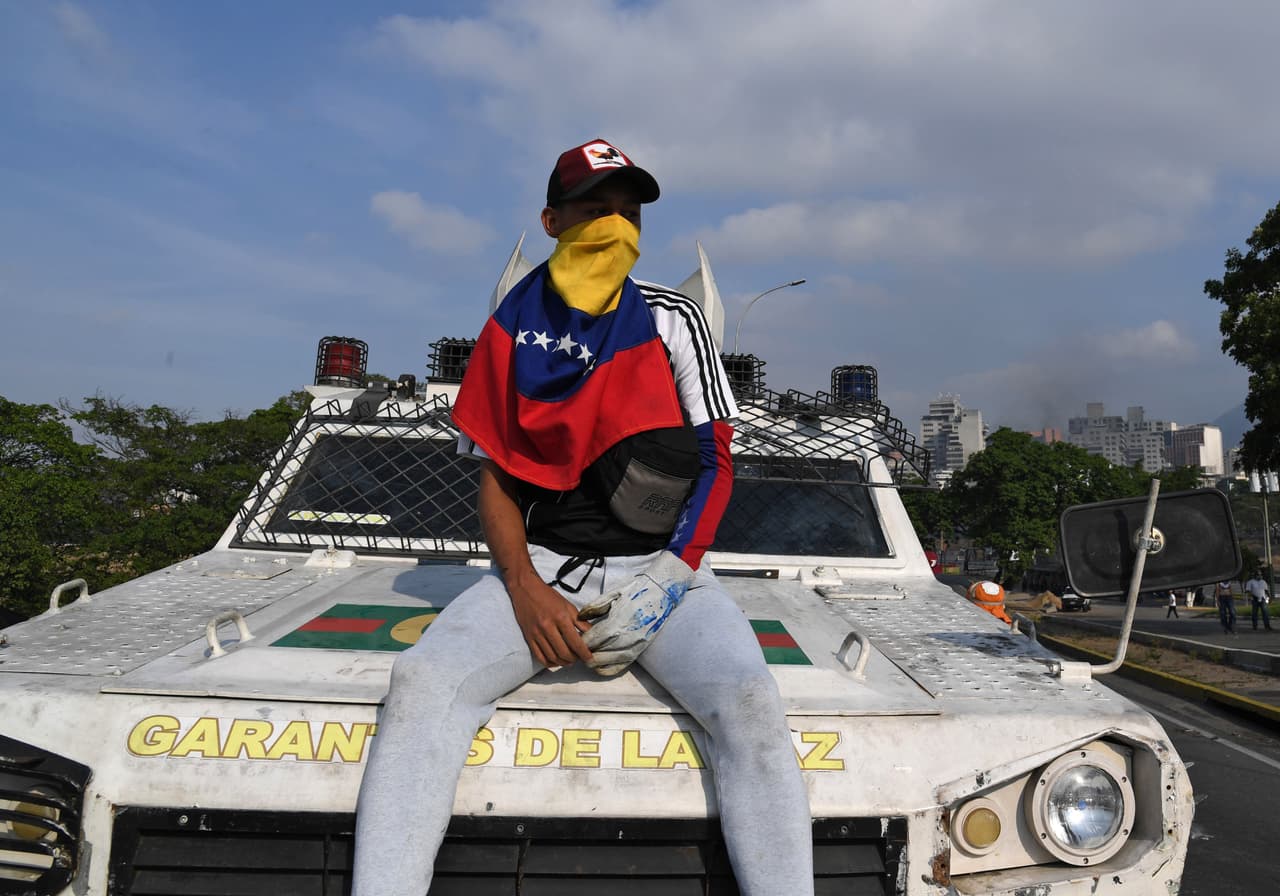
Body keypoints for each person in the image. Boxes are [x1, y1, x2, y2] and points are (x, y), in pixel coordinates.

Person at [351, 139, 814, 895]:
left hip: (665, 575)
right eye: (596, 210)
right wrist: (527, 592)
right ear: (551, 219)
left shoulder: (672, 319)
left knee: (751, 701)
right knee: (422, 685)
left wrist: (669, 577)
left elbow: (717, 460)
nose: (616, 226)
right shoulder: (507, 329)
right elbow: (496, 481)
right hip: (541, 567)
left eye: (629, 214)